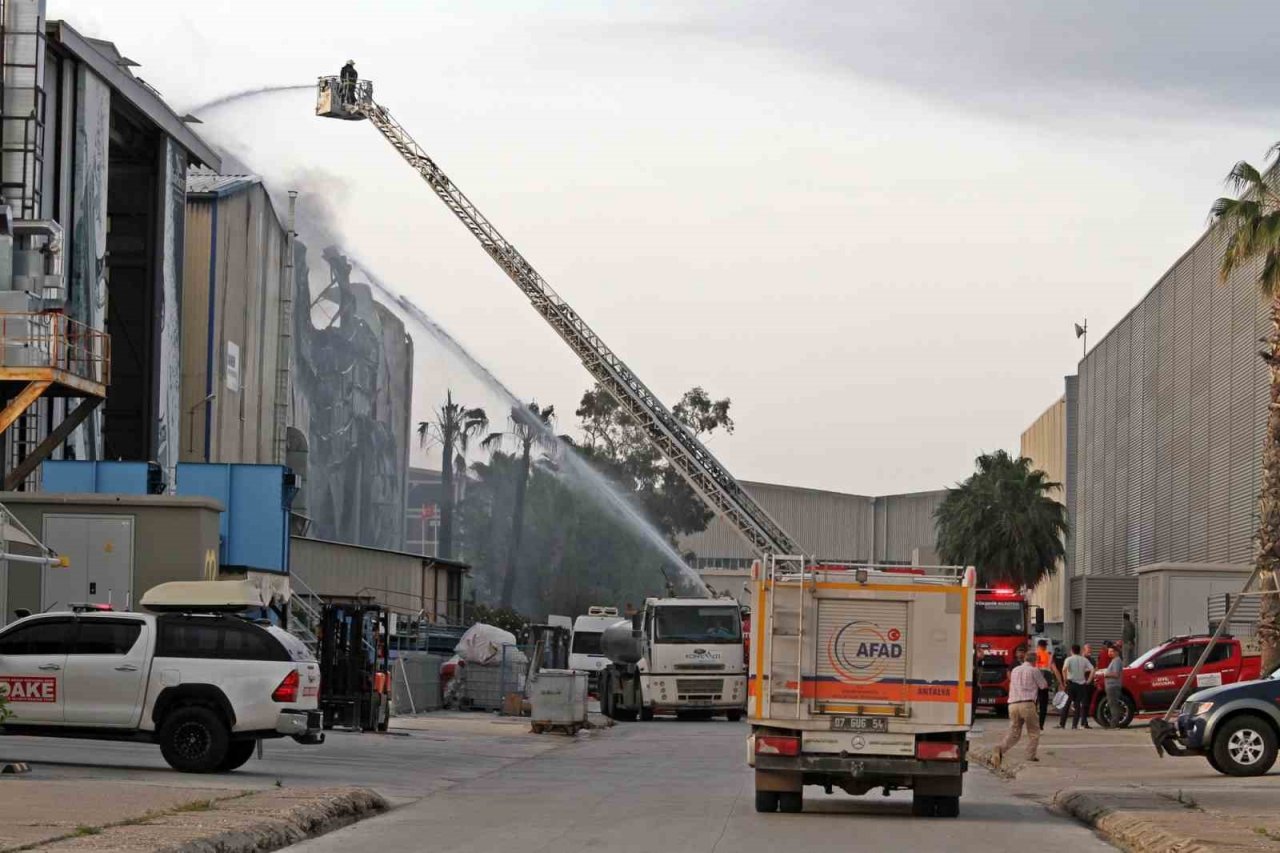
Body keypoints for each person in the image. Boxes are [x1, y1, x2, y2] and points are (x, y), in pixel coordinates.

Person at [993, 650, 1047, 768]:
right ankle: (1030, 755)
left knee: (1014, 732)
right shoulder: (1034, 670)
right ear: (1035, 660)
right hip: (1027, 704)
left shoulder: (1015, 670)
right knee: (1033, 732)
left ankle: (1000, 749)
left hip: (1012, 704)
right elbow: (1043, 685)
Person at [1057, 644, 1094, 729]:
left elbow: (1064, 669)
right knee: (1077, 705)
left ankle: (1062, 723)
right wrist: (1088, 680)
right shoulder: (1084, 660)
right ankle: (1074, 725)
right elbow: (1092, 669)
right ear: (1080, 651)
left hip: (1071, 683)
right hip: (1081, 685)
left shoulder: (1069, 659)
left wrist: (1065, 680)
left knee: (1067, 703)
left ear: (1071, 651)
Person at [1034, 639, 1061, 728]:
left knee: (1033, 704)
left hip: (1034, 683)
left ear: (1038, 645)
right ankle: (1040, 725)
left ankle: (1033, 724)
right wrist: (1061, 683)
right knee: (1043, 705)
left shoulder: (1034, 655)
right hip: (1045, 683)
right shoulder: (1049, 656)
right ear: (1045, 646)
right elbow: (1055, 670)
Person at [1102, 642, 1125, 727]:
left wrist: (1106, 674)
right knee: (1112, 704)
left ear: (1116, 652)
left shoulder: (1116, 661)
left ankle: (1114, 724)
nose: (1109, 653)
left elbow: (1116, 674)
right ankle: (1114, 723)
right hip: (1111, 686)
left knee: (1113, 705)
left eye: (1111, 651)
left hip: (1113, 686)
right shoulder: (1114, 660)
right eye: (1108, 651)